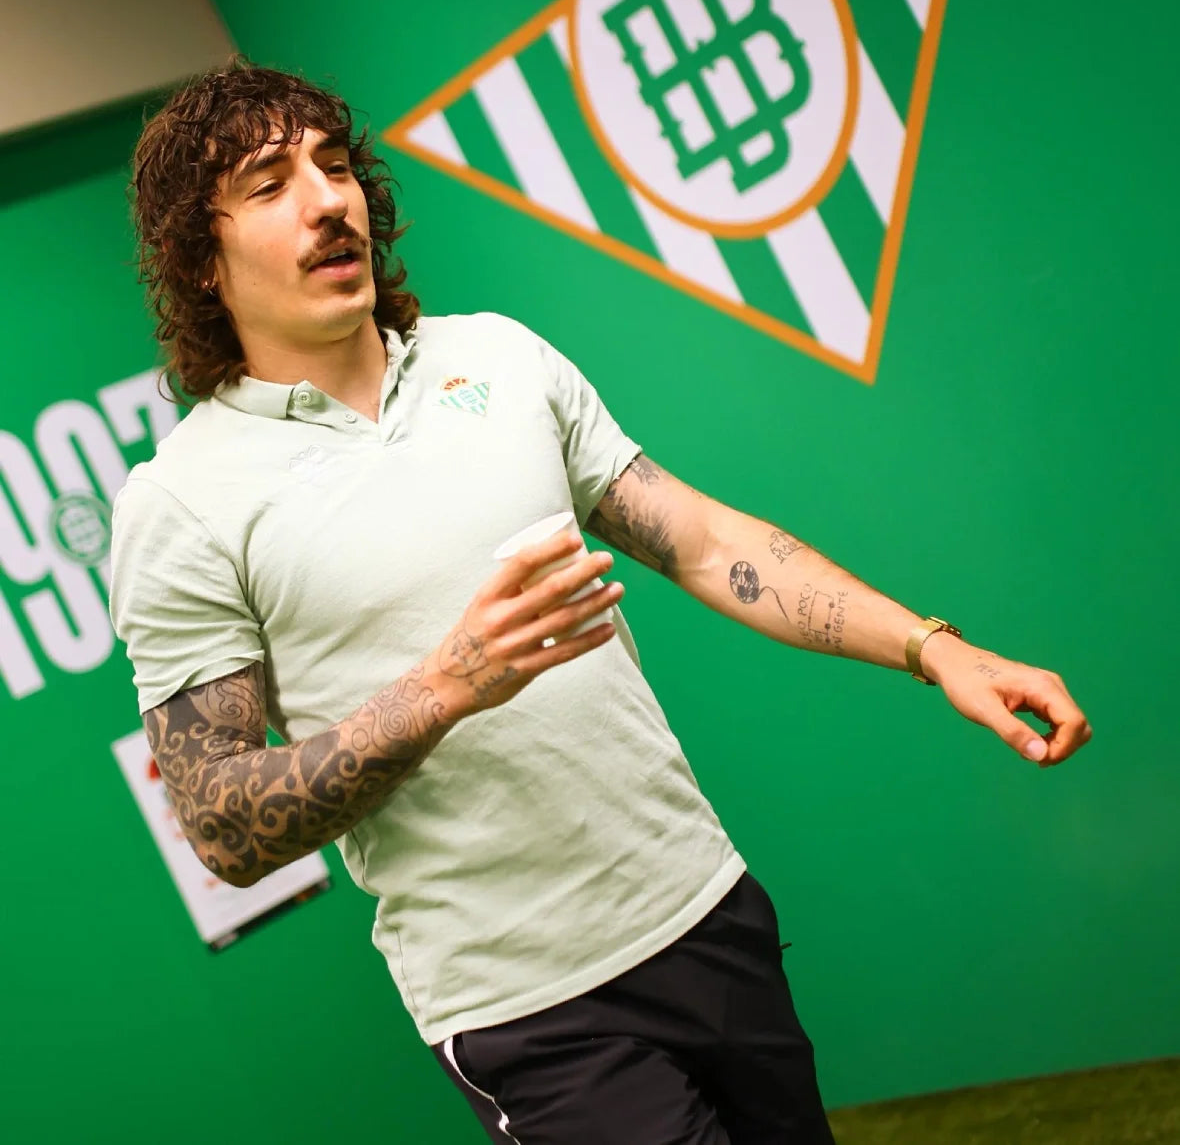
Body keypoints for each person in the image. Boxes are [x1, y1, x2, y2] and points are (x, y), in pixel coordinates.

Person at [110, 58, 1090, 1145]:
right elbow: (221, 821)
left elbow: (706, 544)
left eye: (335, 167)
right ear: (200, 261)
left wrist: (932, 647)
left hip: (704, 908)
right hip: (525, 1004)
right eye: (269, 184)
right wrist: (445, 687)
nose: (327, 200)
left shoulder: (499, 357)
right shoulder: (182, 502)